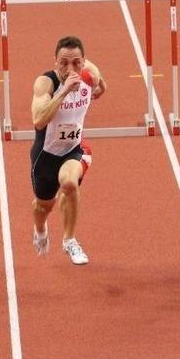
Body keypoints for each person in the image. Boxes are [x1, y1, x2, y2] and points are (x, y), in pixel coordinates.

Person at [31, 36, 107, 265]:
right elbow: (39, 120)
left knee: (70, 183)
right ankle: (40, 229)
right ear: (55, 62)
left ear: (83, 62)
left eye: (76, 63)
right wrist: (63, 91)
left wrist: (98, 87)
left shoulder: (88, 71)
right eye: (63, 62)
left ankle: (70, 240)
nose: (70, 68)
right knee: (43, 206)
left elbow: (102, 86)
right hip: (45, 156)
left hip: (74, 148)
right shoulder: (46, 83)